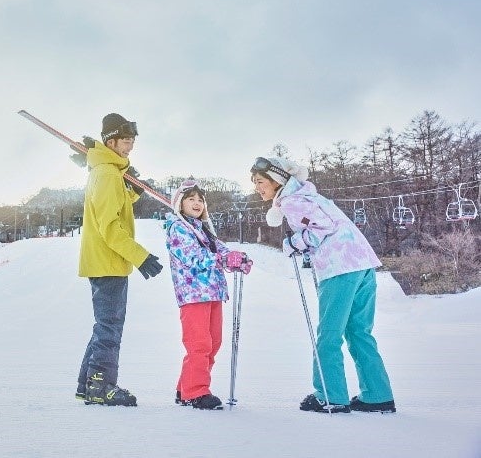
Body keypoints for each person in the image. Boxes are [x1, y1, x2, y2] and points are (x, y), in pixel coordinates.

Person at [250, 156, 396, 413]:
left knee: (329, 334)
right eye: (254, 183)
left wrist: (292, 244)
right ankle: (378, 395)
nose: (257, 187)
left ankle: (330, 395)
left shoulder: (292, 200)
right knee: (359, 332)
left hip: (339, 267)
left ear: (277, 180)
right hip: (362, 263)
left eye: (260, 181)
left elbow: (322, 228)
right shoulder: (311, 196)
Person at [76, 113, 164, 407]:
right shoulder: (106, 174)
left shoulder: (107, 172)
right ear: (111, 141)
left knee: (105, 324)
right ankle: (101, 386)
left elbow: (116, 205)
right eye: (126, 141)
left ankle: (86, 384)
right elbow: (110, 228)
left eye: (132, 141)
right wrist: (141, 257)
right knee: (110, 326)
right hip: (107, 261)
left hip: (106, 261)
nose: (131, 146)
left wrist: (134, 193)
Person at [164, 178, 252, 410]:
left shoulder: (203, 229)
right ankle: (197, 391)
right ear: (179, 204)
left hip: (212, 292)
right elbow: (192, 257)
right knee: (199, 344)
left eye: (200, 199)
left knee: (213, 343)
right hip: (193, 294)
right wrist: (222, 259)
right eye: (190, 199)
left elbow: (220, 250)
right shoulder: (178, 228)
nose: (197, 203)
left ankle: (185, 388)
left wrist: (236, 259)